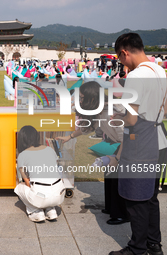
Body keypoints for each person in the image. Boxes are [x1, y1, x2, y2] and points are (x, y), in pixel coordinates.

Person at [109, 32, 167, 255]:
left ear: (124, 52)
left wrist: (117, 117)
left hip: (140, 143)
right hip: (159, 139)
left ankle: (137, 248)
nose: (121, 63)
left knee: (136, 199)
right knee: (150, 197)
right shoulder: (160, 70)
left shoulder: (135, 76)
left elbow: (131, 119)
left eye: (120, 59)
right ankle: (154, 244)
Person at [56, 81, 128, 225]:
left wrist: (117, 159)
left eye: (82, 98)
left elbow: (126, 138)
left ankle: (122, 214)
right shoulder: (99, 110)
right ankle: (111, 208)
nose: (81, 101)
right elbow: (88, 128)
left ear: (93, 98)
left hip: (127, 147)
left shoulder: (110, 112)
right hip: (118, 146)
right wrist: (69, 137)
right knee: (109, 177)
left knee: (117, 180)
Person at [14, 126, 65, 223]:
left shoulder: (22, 155)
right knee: (46, 187)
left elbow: (27, 182)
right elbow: (57, 169)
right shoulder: (49, 149)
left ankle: (36, 212)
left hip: (41, 196)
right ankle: (51, 210)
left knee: (19, 188)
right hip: (59, 194)